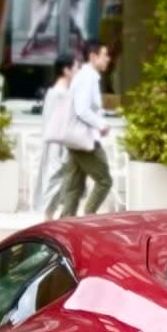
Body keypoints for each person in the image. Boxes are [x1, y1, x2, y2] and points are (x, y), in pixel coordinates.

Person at [43, 39, 115, 217]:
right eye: (105, 55)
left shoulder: (86, 77)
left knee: (74, 187)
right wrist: (102, 124)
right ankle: (88, 216)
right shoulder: (87, 78)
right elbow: (82, 109)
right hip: (84, 140)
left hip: (76, 139)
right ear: (93, 56)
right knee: (104, 180)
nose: (108, 59)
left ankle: (65, 224)